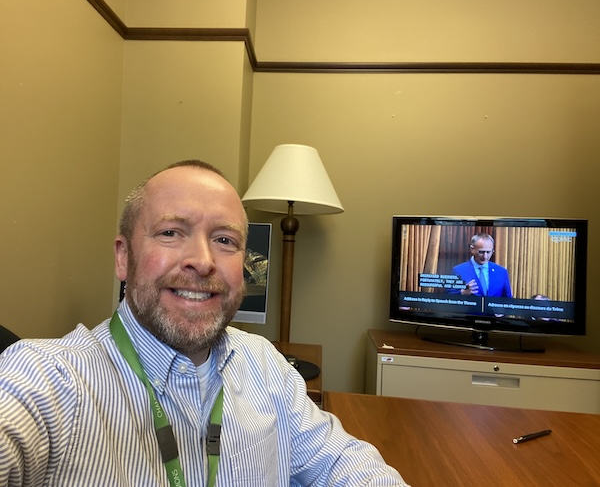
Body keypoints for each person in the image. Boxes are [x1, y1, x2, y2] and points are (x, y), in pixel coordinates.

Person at [0, 160, 409, 486]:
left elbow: (342, 462)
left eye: (225, 240)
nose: (204, 260)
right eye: (171, 232)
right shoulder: (52, 379)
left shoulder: (264, 365)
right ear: (123, 257)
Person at [451, 233, 512, 298]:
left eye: (488, 252)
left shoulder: (501, 272)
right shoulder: (458, 270)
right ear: (472, 249)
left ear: (493, 251)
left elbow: (508, 299)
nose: (485, 257)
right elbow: (449, 297)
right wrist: (462, 292)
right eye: (481, 252)